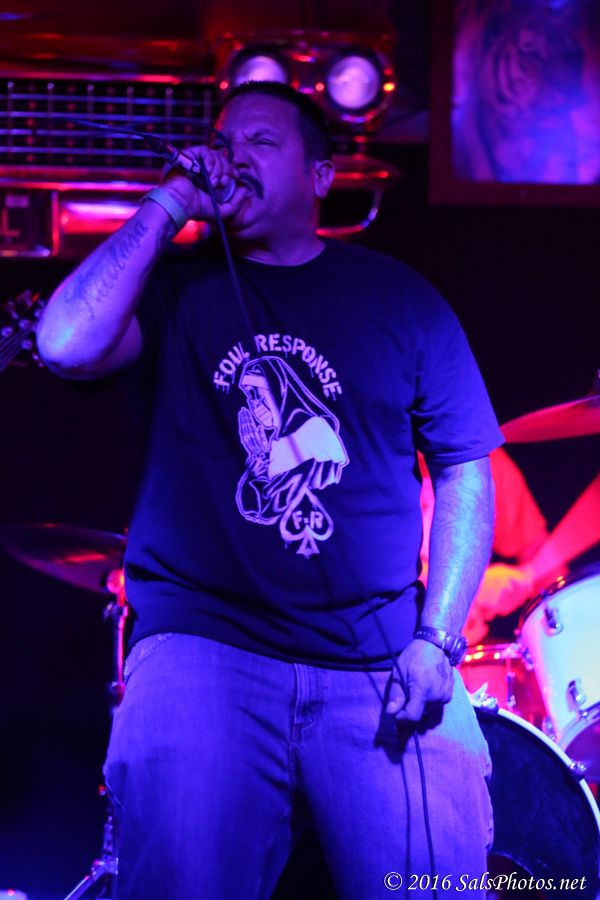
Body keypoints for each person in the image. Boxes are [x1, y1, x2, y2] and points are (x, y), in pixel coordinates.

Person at [37, 82, 503, 899]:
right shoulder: (176, 288)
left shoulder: (399, 300)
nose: (234, 157)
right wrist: (170, 201)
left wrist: (437, 641)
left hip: (378, 657)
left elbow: (466, 467)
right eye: (225, 141)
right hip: (204, 648)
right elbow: (66, 343)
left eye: (262, 142)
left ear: (321, 177)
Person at [419, 447, 549, 644]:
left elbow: (544, 563)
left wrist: (528, 578)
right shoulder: (373, 467)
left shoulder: (486, 458)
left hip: (464, 645)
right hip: (390, 646)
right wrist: (471, 586)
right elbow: (373, 569)